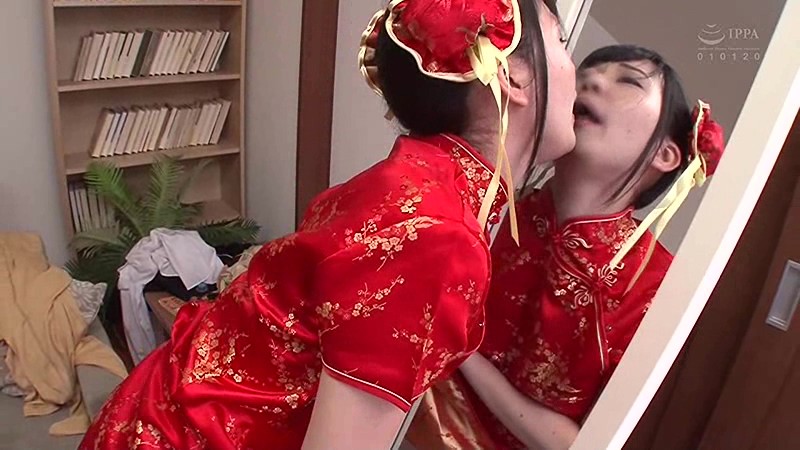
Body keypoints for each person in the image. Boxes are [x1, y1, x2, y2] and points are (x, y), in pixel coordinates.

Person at [78, 1, 578, 449]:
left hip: (163, 408)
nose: (576, 70)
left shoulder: (420, 176)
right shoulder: (438, 233)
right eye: (559, 41)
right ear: (511, 76)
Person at [406, 44, 725, 450]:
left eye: (628, 81)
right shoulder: (490, 198)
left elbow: (585, 443)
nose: (590, 80)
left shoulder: (656, 286)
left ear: (665, 154)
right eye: (586, 71)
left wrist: (464, 354)